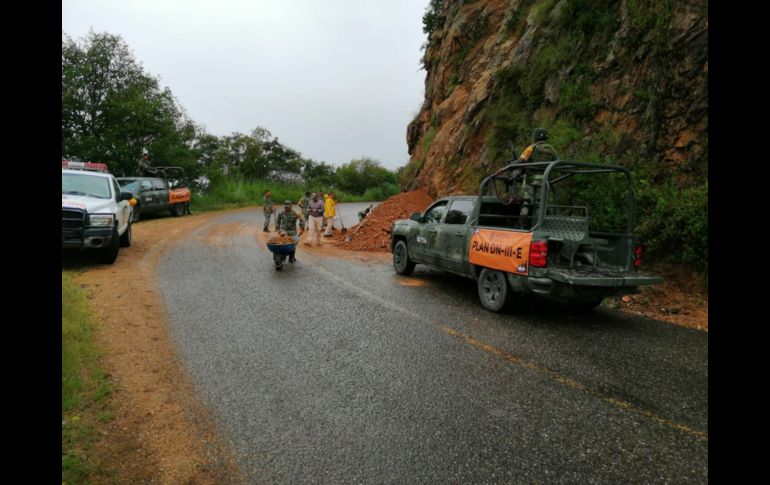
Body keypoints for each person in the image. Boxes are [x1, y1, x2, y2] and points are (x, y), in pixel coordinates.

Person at [515, 128, 559, 228]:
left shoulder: (531, 148)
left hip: (530, 179)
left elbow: (521, 160)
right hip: (544, 180)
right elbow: (557, 162)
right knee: (541, 202)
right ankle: (541, 224)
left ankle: (522, 224)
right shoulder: (552, 150)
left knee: (526, 201)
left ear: (536, 137)